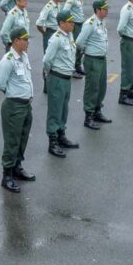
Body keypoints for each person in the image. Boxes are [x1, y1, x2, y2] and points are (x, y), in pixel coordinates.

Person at [0, 27, 35, 193]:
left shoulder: (24, 56)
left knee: (22, 138)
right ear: (16, 41)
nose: (28, 42)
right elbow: (0, 85)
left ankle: (17, 167)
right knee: (12, 141)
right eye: (25, 39)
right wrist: (14, 95)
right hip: (14, 106)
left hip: (26, 106)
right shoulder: (8, 60)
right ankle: (7, 175)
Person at [42, 11, 79, 157]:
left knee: (64, 108)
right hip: (57, 78)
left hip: (66, 78)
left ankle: (61, 135)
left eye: (72, 21)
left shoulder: (69, 36)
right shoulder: (56, 39)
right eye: (69, 22)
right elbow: (46, 60)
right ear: (61, 23)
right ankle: (52, 141)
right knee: (55, 110)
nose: (72, 24)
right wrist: (50, 76)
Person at [76, 0, 113, 130]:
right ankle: (89, 116)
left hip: (101, 59)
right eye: (104, 9)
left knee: (101, 87)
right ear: (97, 10)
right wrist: (88, 51)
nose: (107, 10)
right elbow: (79, 42)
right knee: (92, 88)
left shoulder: (101, 22)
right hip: (92, 60)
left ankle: (97, 111)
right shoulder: (90, 23)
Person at [36, 0, 63, 94]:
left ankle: (53, 83)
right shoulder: (48, 7)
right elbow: (39, 23)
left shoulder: (59, 5)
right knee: (49, 58)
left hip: (58, 33)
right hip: (50, 32)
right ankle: (46, 84)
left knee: (57, 58)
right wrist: (44, 33)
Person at [63, 0, 88, 77]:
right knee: (75, 47)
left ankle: (77, 66)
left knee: (80, 47)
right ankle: (72, 69)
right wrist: (69, 24)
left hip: (80, 24)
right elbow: (65, 11)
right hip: (75, 25)